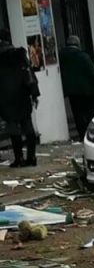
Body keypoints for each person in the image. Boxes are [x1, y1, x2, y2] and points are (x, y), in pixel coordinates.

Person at [0, 29, 40, 167]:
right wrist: (34, 93)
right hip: (22, 94)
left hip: (6, 97)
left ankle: (19, 159)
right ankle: (31, 157)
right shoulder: (19, 54)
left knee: (13, 128)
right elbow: (29, 74)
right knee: (28, 126)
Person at [59, 35, 94, 141]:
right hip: (86, 91)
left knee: (77, 113)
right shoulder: (83, 56)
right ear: (78, 44)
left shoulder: (61, 56)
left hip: (72, 91)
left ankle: (81, 134)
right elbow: (92, 73)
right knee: (89, 112)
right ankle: (90, 134)